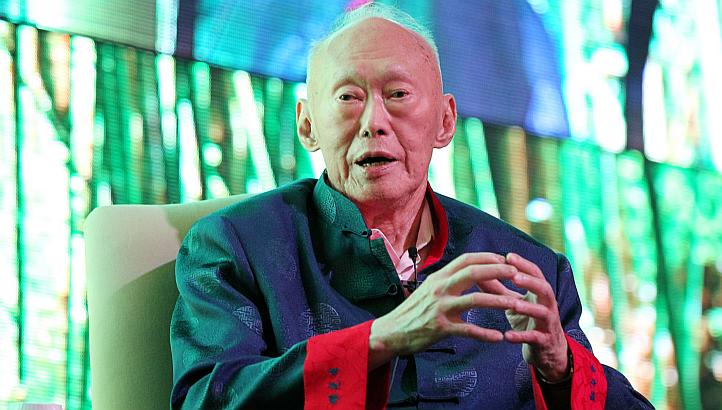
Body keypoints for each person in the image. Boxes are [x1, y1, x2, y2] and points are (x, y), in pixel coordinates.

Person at [170, 4, 653, 409]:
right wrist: (380, 339)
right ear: (307, 125)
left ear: (445, 122)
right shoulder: (236, 248)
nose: (374, 122)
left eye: (398, 94)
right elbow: (206, 400)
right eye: (348, 97)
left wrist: (560, 367)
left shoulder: (527, 270)